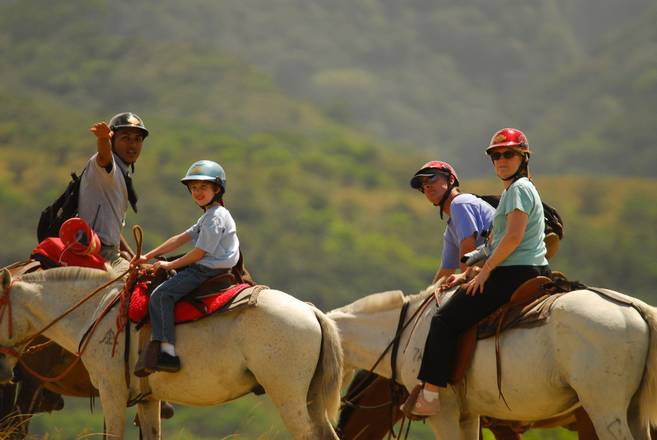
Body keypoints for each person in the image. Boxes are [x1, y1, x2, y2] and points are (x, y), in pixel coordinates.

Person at [403, 128, 551, 417]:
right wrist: (468, 273)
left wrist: (484, 274)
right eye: (496, 155)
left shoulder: (517, 190)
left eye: (509, 154)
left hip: (514, 272)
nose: (501, 160)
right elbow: (491, 244)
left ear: (524, 158)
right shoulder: (511, 192)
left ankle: (431, 394)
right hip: (515, 268)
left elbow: (513, 238)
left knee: (445, 320)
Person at [132, 160, 240, 374]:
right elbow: (179, 239)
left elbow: (199, 253)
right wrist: (147, 256)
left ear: (216, 189)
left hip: (206, 269)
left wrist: (168, 264)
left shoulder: (215, 218)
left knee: (160, 295)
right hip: (208, 267)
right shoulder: (209, 216)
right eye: (194, 188)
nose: (198, 192)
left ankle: (167, 352)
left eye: (204, 187)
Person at [410, 161, 495, 284]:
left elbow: (468, 251)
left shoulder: (460, 203)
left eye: (432, 178)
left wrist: (464, 281)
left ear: (450, 180)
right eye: (422, 184)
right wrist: (427, 297)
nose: (426, 186)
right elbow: (446, 271)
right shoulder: (450, 230)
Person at [81, 112, 147, 264]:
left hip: (107, 249)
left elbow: (112, 231)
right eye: (125, 138)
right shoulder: (105, 167)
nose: (132, 145)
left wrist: (133, 256)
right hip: (96, 250)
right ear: (112, 140)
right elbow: (104, 157)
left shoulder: (120, 173)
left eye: (137, 139)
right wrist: (103, 139)